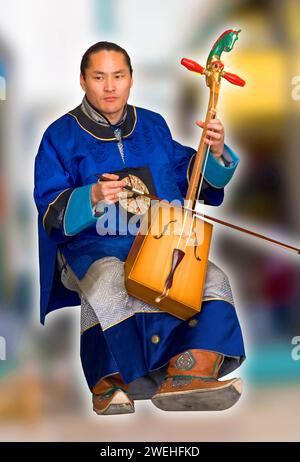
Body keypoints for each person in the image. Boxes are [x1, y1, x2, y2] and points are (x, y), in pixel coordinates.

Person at [34, 41, 245, 415]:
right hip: (90, 247)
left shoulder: (153, 125)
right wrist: (93, 196)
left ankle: (188, 370)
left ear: (131, 79)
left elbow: (190, 178)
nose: (110, 86)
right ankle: (120, 378)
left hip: (155, 240)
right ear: (83, 81)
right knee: (113, 281)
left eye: (119, 76)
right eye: (99, 77)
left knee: (210, 278)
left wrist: (214, 154)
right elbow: (49, 206)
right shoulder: (59, 136)